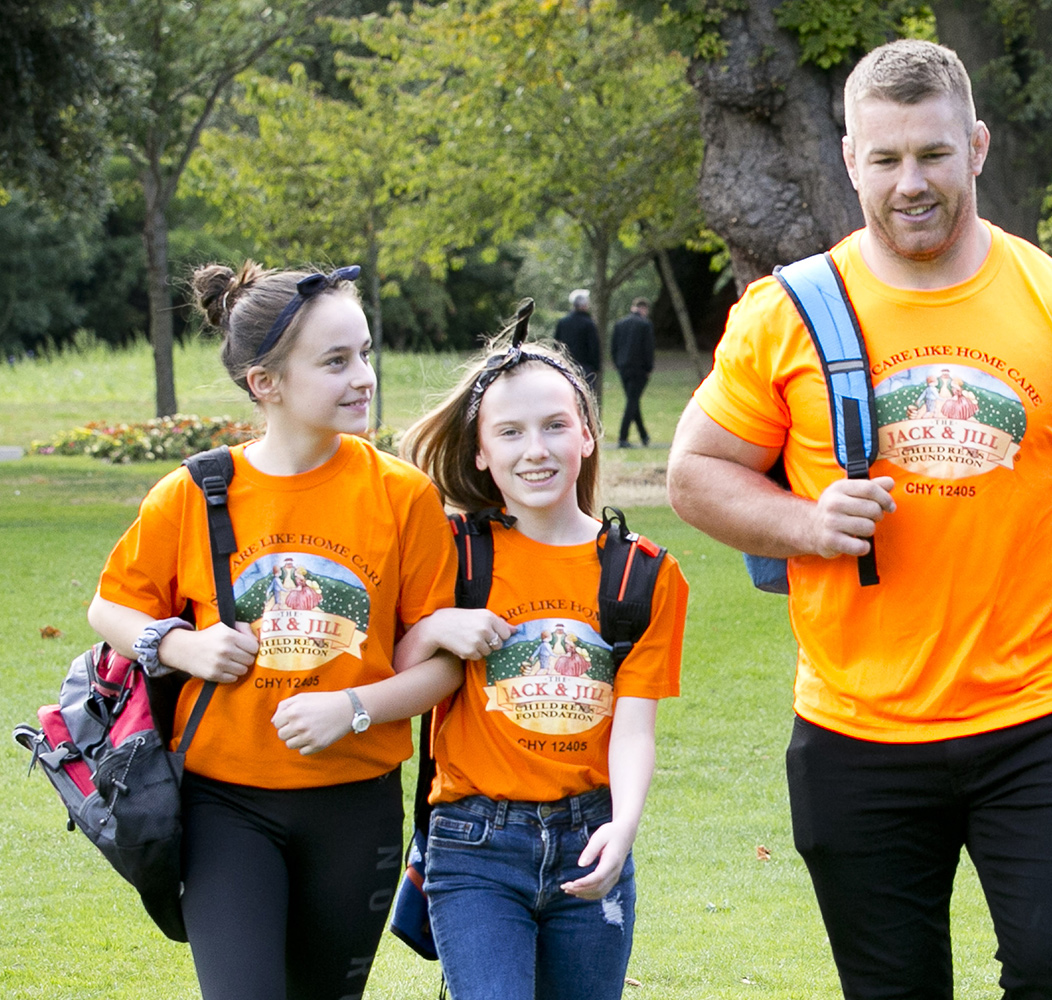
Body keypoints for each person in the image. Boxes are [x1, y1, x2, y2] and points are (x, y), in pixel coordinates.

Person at [665, 38, 1052, 999]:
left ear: (978, 147)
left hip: (1039, 718)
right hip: (854, 730)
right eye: (885, 159)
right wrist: (803, 524)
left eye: (932, 154)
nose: (909, 182)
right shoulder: (785, 314)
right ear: (850, 160)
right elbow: (693, 475)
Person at [274, 329, 688, 1000]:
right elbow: (398, 668)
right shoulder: (457, 551)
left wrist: (625, 825)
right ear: (482, 453)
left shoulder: (641, 574)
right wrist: (438, 623)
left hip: (590, 832)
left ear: (586, 435)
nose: (537, 450)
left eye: (555, 426)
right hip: (473, 846)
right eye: (512, 433)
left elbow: (634, 727)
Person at [86, 261, 458, 998]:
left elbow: (443, 664)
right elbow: (109, 609)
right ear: (266, 384)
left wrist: (352, 709)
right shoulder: (195, 491)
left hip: (359, 802)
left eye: (365, 353)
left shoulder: (404, 497)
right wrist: (179, 645)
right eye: (335, 361)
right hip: (224, 805)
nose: (364, 377)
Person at [611, 297, 655, 448]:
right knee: (632, 401)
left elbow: (614, 346)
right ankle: (623, 437)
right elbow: (648, 348)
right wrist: (649, 368)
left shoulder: (620, 323)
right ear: (644, 309)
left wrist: (617, 363)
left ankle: (644, 436)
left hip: (623, 367)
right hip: (639, 369)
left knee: (633, 400)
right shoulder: (645, 325)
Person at [556, 289, 603, 387]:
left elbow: (557, 343)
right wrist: (596, 366)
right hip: (585, 368)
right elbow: (594, 347)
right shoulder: (589, 324)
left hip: (566, 365)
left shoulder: (563, 322)